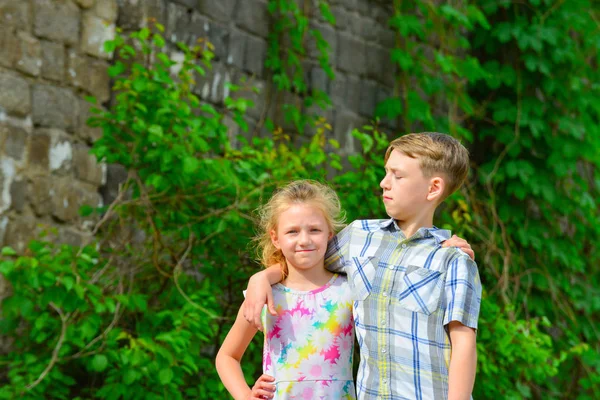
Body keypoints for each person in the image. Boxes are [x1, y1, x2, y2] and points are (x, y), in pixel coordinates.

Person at [245, 132, 482, 400]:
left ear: (433, 188)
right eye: (386, 173)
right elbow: (305, 259)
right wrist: (262, 277)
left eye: (397, 175)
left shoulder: (452, 259)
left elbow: (464, 345)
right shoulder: (358, 238)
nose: (384, 183)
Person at [216, 180, 357, 399]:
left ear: (330, 233)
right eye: (292, 231)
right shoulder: (263, 295)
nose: (304, 240)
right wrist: (245, 396)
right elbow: (227, 356)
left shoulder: (350, 290)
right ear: (275, 238)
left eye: (314, 230)